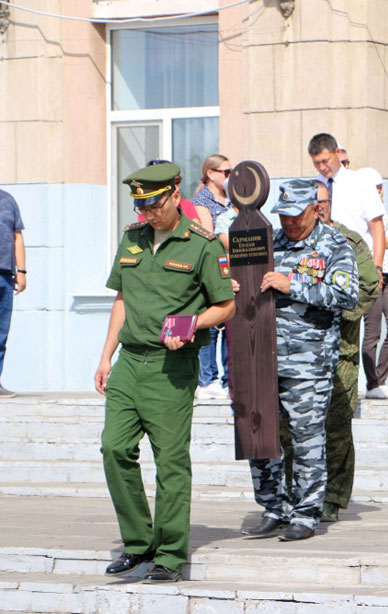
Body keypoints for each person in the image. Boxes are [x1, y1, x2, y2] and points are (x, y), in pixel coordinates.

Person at [94, 162, 235, 582]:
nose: (148, 214)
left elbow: (224, 304)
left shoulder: (202, 246)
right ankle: (138, 544)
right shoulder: (132, 239)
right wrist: (105, 356)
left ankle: (170, 553)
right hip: (128, 365)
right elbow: (122, 298)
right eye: (141, 206)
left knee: (170, 461)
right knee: (113, 449)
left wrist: (192, 323)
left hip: (171, 368)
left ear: (175, 195)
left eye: (154, 205)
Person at [242, 180, 358, 541]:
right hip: (262, 354)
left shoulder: (335, 245)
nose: (289, 223)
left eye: (296, 216)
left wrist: (293, 285)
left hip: (309, 360)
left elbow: (347, 295)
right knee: (260, 434)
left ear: (316, 210)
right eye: (284, 216)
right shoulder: (269, 241)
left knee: (306, 436)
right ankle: (273, 507)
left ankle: (306, 513)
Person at [312, 193, 379, 522]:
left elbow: (369, 285)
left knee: (336, 427)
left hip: (340, 352)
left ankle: (333, 496)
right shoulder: (288, 241)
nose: (318, 206)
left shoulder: (348, 241)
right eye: (313, 200)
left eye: (323, 199)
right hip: (297, 352)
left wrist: (335, 310)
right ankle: (301, 492)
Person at [356, 167, 388, 399]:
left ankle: (380, 378)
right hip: (370, 275)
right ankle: (373, 383)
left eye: (381, 188)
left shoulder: (381, 213)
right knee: (372, 332)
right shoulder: (358, 214)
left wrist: (378, 239)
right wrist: (378, 240)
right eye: (376, 189)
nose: (380, 193)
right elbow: (363, 243)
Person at [308, 133, 386, 276]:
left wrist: (377, 267)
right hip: (325, 267)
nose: (322, 167)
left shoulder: (361, 182)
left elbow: (377, 227)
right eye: (316, 163)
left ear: (337, 152)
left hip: (359, 265)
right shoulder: (312, 187)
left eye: (325, 161)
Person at [192, 154, 233, 399]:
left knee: (229, 323)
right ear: (210, 173)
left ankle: (229, 378)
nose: (229, 177)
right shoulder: (203, 201)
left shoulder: (231, 200)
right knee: (211, 325)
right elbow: (210, 237)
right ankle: (207, 380)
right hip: (213, 268)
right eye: (225, 172)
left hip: (234, 268)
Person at [0, 189, 25, 398]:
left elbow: (17, 236)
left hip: (5, 275)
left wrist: (22, 271)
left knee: (1, 333)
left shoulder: (8, 199)